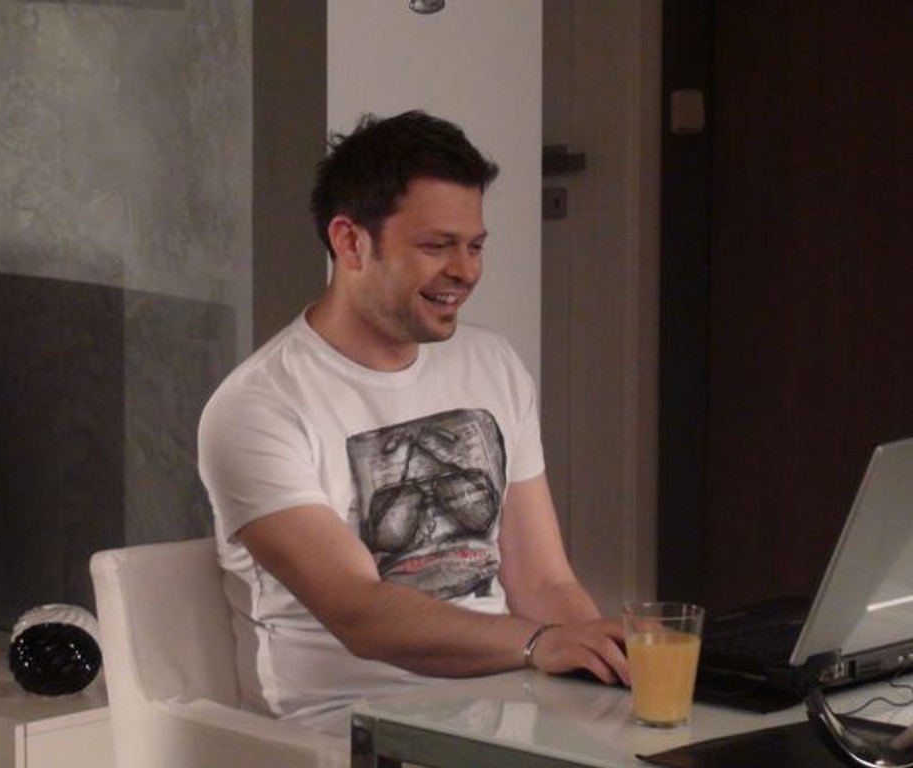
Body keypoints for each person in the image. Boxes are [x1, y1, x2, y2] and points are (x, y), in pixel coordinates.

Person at [197, 110, 628, 734]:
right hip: (350, 730)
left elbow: (543, 579)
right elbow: (362, 615)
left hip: (509, 705)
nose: (466, 271)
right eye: (436, 246)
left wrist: (606, 670)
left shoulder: (492, 363)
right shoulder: (257, 407)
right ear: (350, 242)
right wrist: (540, 645)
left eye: (475, 246)